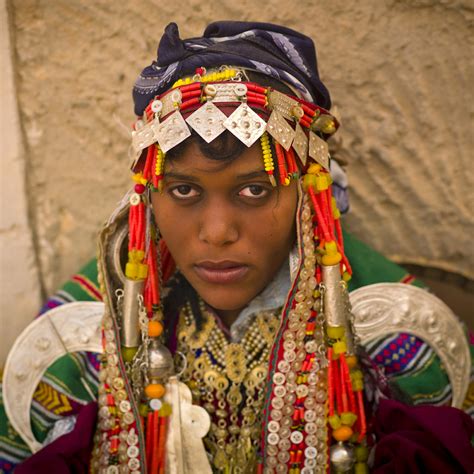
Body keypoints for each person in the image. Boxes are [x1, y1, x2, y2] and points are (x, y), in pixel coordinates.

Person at [1, 21, 472, 474]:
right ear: (147, 196)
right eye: (184, 191)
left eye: (254, 191)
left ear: (309, 195)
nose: (218, 232)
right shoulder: (87, 330)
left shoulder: (398, 332)